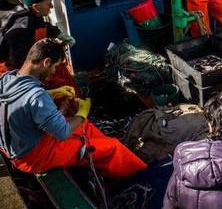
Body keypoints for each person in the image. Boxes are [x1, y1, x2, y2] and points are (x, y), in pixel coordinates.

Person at [0, 38, 147, 179]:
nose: (54, 72)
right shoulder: (36, 97)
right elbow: (63, 133)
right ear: (46, 62)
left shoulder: (6, 79)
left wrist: (52, 93)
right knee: (112, 148)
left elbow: (21, 101)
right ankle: (139, 176)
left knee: (85, 127)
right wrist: (83, 111)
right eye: (55, 67)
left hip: (19, 144)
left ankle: (104, 165)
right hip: (34, 157)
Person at [0, 0, 75, 75]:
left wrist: (58, 34)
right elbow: (20, 61)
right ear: (36, 6)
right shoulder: (22, 28)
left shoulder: (29, 11)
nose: (51, 6)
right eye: (48, 3)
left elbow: (41, 25)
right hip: (9, 70)